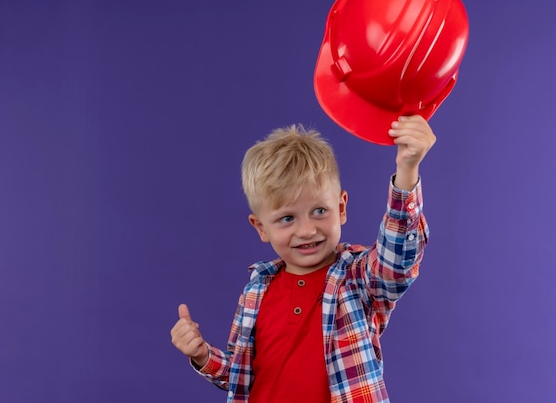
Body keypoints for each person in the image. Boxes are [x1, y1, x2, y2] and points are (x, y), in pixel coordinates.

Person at [171, 115, 436, 402]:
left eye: (320, 211)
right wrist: (202, 355)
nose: (307, 230)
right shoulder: (256, 291)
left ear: (341, 207)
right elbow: (241, 375)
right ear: (261, 228)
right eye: (287, 218)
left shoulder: (357, 278)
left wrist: (407, 172)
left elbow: (395, 264)